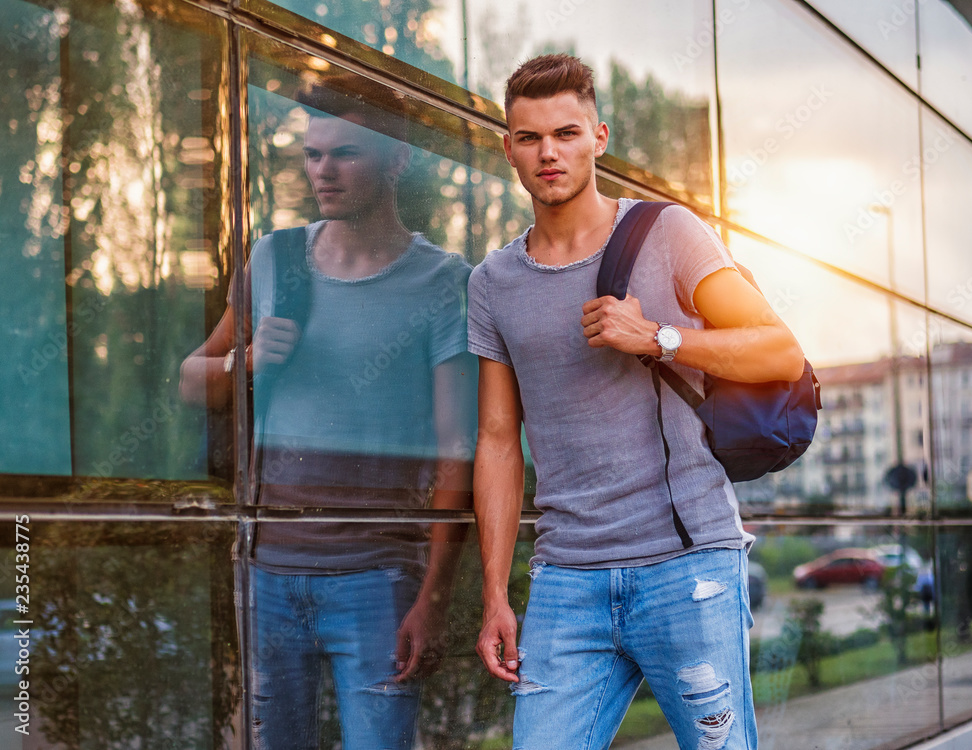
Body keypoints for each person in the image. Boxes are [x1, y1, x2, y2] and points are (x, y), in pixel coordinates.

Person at [469, 54, 804, 750]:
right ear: (507, 147)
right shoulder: (493, 280)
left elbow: (780, 350)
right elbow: (499, 441)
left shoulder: (668, 233)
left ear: (600, 136)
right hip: (566, 580)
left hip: (687, 569)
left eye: (566, 132)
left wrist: (661, 337)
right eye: (528, 138)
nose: (548, 153)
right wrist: (495, 593)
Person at [179, 89, 475, 749]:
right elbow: (190, 378)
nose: (324, 171)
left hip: (377, 579)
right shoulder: (275, 258)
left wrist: (433, 596)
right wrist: (243, 362)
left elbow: (460, 449)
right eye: (313, 155)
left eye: (345, 154)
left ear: (397, 159)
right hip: (268, 571)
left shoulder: (441, 280)